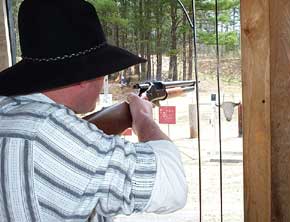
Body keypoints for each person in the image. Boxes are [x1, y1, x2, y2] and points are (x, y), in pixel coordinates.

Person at [0, 0, 187, 221]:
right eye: (103, 70)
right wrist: (143, 118)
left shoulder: (7, 108)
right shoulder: (49, 130)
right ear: (84, 77)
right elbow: (173, 187)